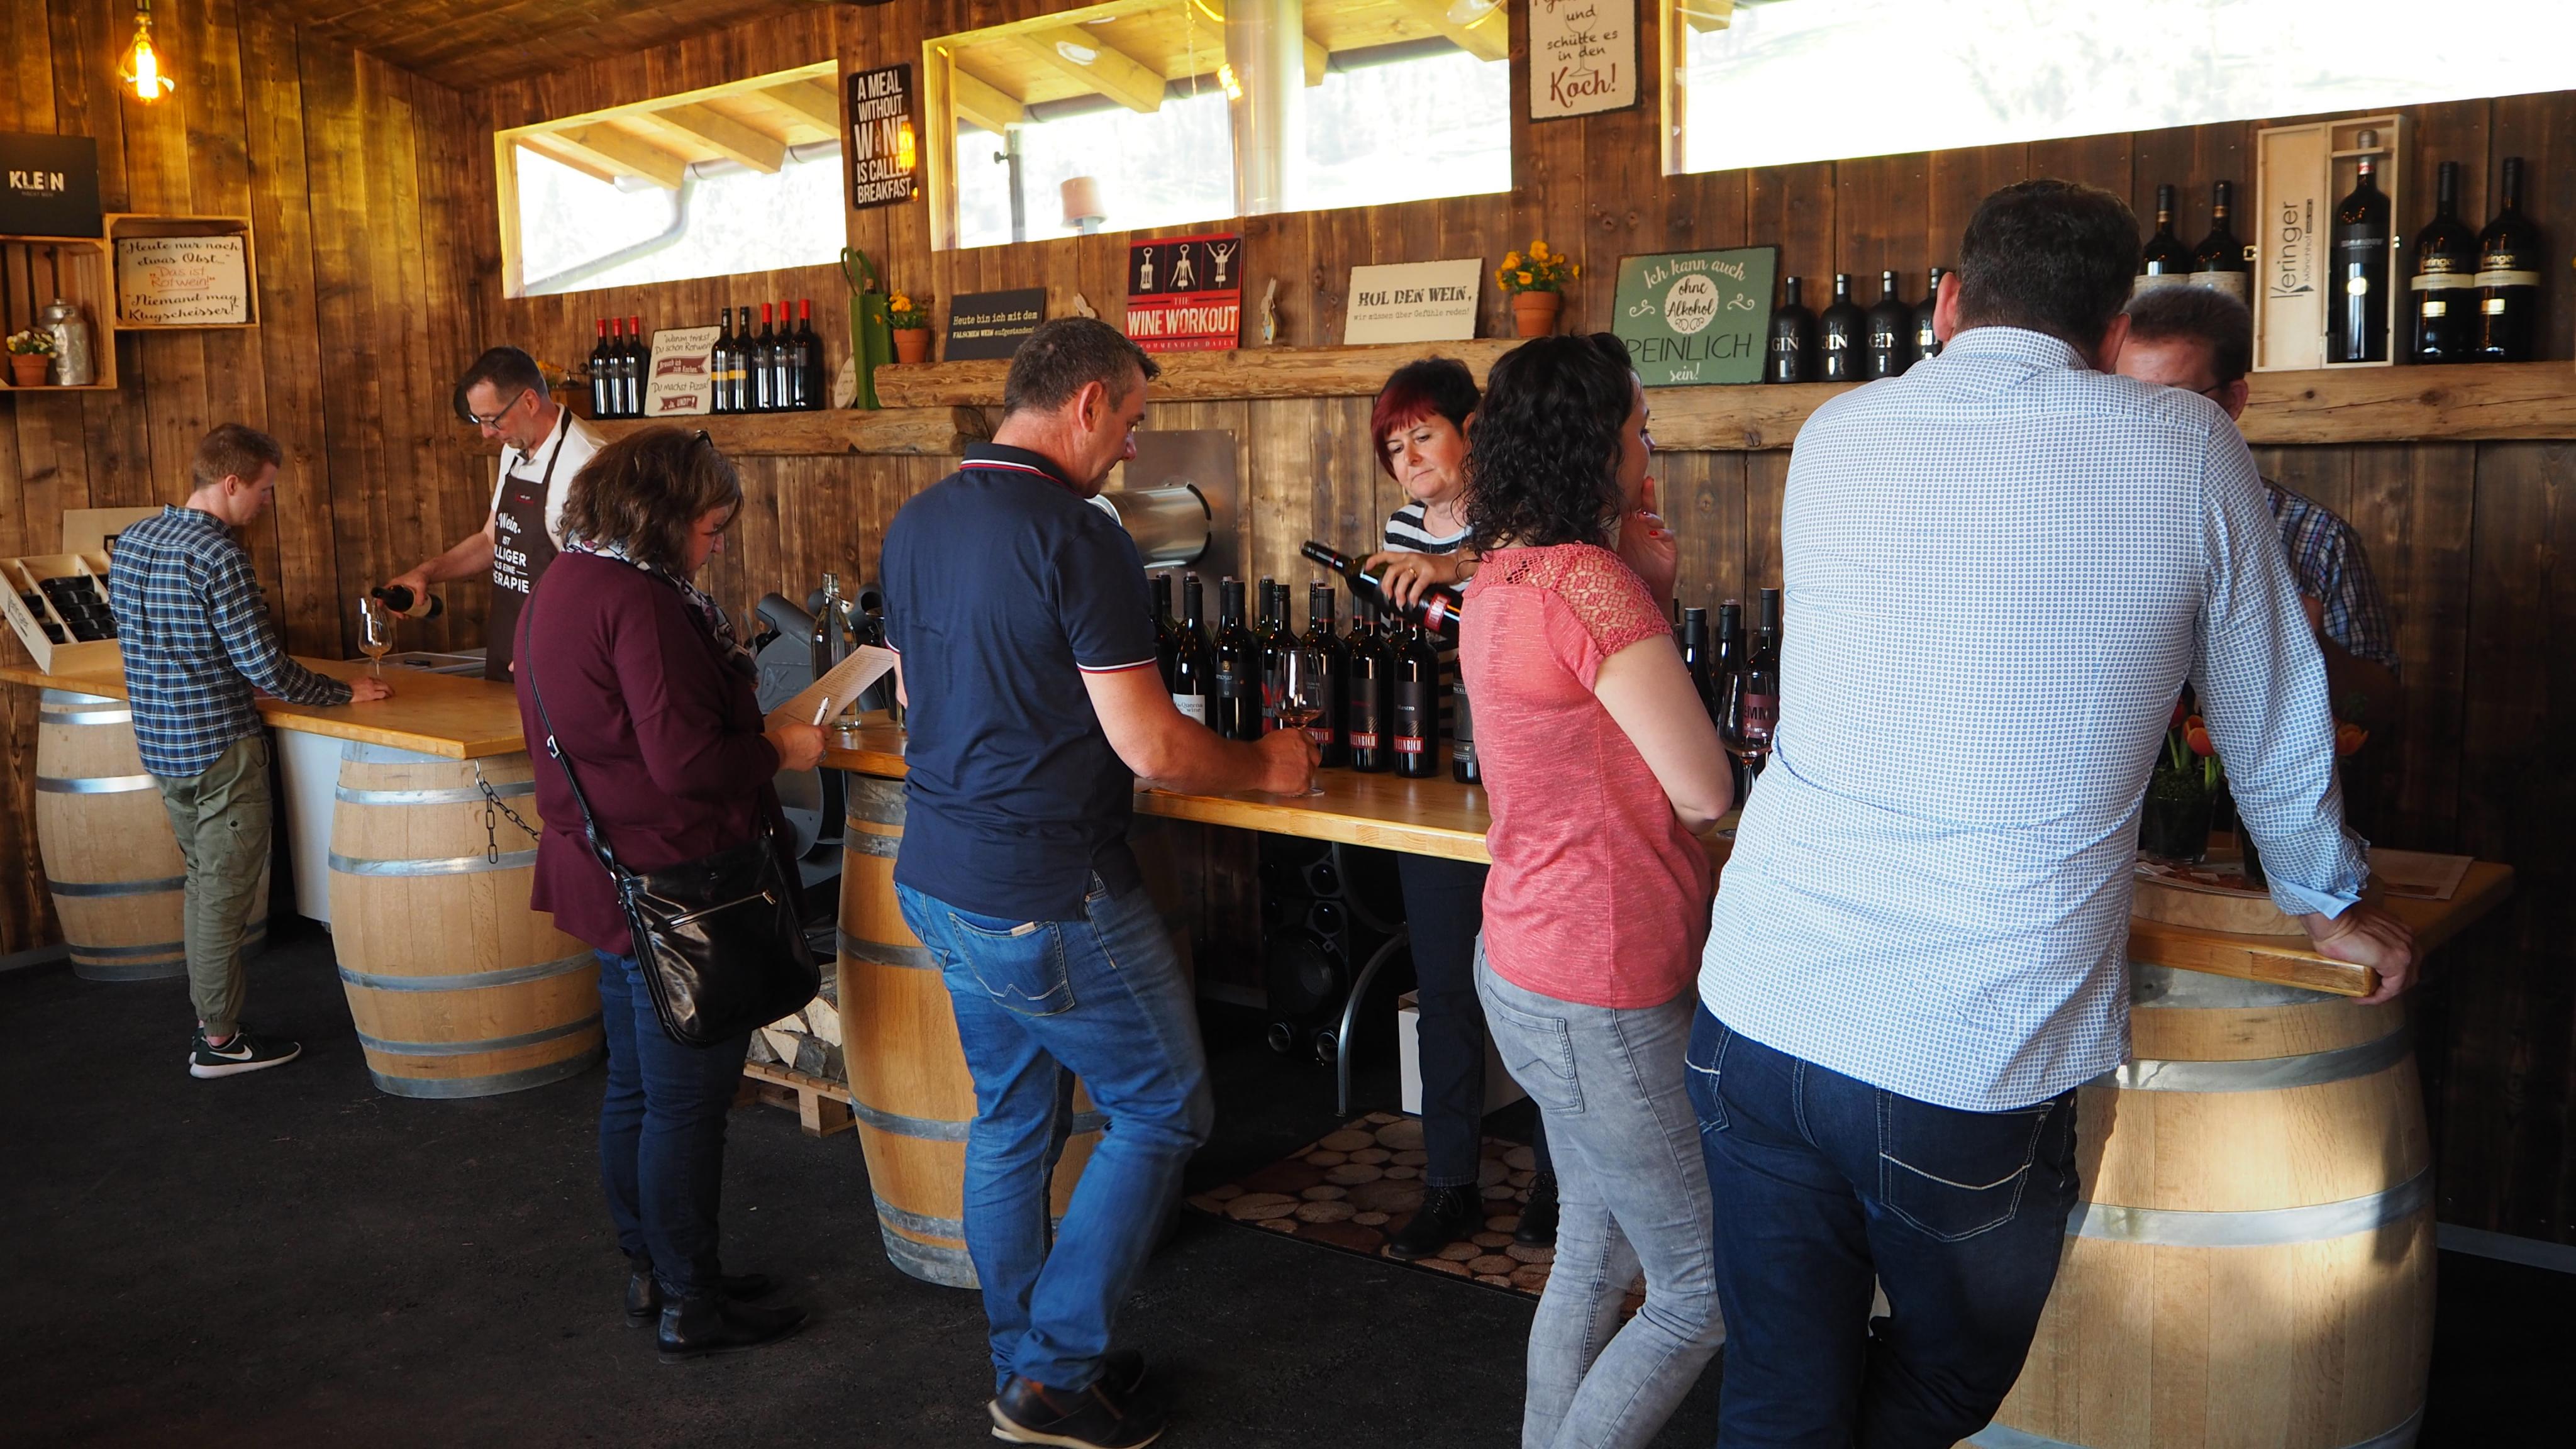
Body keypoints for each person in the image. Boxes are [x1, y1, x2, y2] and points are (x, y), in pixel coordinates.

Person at [1689, 180, 2421, 1446]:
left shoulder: (1836, 433)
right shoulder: (2183, 445)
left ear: (1946, 303)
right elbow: (2266, 700)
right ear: (2111, 327)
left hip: (1754, 1004)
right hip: (1964, 1040)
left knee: (1775, 1387)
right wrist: (2322, 896)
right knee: (1949, 1379)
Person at [880, 317, 1315, 1449]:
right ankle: (1053, 1377)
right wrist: (1266, 764)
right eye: (1128, 420)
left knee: (1013, 1116)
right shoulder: (1081, 536)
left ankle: (1025, 1360)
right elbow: (1154, 749)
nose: (1130, 447)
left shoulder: (919, 520)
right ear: (1083, 403)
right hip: (1048, 892)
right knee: (1166, 1108)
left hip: (936, 877)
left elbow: (922, 701)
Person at [1462, 333, 1735, 1449]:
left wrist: (1644, 590)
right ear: (1594, 443)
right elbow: (1705, 790)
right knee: (1699, 1288)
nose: (1648, 450)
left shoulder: (1500, 571)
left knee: (1594, 1242)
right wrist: (1641, 597)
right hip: (1603, 979)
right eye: (1639, 429)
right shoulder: (1589, 581)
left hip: (1522, 956)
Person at [512, 427, 823, 1361]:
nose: (716, 546)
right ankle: (693, 1301)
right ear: (659, 515)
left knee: (638, 1093)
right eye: (711, 527)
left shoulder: (566, 579)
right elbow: (689, 766)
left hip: (608, 875)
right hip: (680, 887)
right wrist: (781, 748)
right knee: (686, 1105)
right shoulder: (642, 603)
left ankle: (654, 1269)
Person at [105, 425, 393, 1079]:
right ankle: (219, 1040)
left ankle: (214, 1024)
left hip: (161, 743)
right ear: (231, 482)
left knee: (204, 884)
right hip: (220, 750)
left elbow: (153, 644)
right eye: (264, 490)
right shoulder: (219, 556)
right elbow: (266, 667)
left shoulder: (134, 540)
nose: (267, 502)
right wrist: (343, 692)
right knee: (223, 897)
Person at [1355, 358, 1560, 1260]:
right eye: (1393, 447)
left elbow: (1533, 572)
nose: (1408, 459)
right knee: (1443, 989)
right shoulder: (1402, 530)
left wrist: (1447, 566)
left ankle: (1557, 1182)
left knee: (1546, 991)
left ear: (1471, 428)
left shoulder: (1525, 509)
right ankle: (1450, 1186)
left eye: (1422, 435)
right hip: (1440, 782)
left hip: (1532, 780)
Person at [2113, 286, 2404, 725]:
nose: (2145, 422)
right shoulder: (2070, 517)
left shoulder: (2319, 537)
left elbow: (2379, 705)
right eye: (2125, 397)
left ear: (2233, 401)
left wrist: (2311, 645)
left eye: (2176, 401)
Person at [384, 346, 605, 680]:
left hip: (561, 659)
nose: (486, 433)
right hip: (509, 643)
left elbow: (604, 583)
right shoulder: (514, 448)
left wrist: (556, 650)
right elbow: (492, 540)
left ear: (529, 401)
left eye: (492, 420)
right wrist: (426, 573)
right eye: (480, 421)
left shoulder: (590, 463)